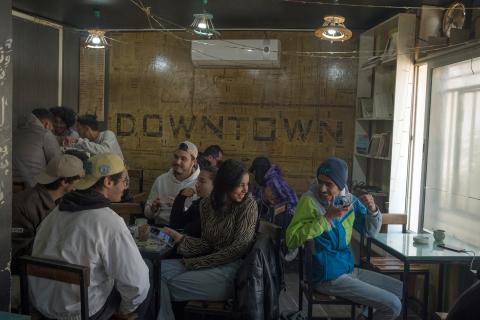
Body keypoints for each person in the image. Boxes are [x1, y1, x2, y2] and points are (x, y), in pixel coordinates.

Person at [30, 153, 152, 320]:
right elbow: (138, 284)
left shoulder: (55, 212)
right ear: (108, 182)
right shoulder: (109, 221)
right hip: (82, 313)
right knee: (145, 280)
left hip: (42, 306)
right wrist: (123, 311)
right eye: (124, 181)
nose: (125, 187)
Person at [286, 157, 402, 320]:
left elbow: (369, 232)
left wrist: (373, 210)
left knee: (400, 291)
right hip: (326, 276)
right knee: (393, 305)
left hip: (347, 269)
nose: (322, 188)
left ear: (341, 186)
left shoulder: (349, 201)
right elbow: (291, 239)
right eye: (320, 182)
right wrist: (327, 218)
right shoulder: (309, 201)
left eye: (329, 184)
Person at [159, 159, 258, 320]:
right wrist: (182, 240)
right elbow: (207, 243)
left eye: (247, 184)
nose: (245, 190)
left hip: (232, 270)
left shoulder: (248, 205)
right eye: (241, 185)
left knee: (162, 285)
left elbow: (239, 248)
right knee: (154, 271)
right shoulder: (206, 205)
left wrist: (198, 263)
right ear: (225, 185)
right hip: (207, 263)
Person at [11, 154, 84, 274]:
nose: (81, 184)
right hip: (24, 274)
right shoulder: (23, 205)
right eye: (79, 179)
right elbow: (18, 254)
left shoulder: (61, 199)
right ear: (65, 182)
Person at [144, 141, 200, 224]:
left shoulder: (199, 184)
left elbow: (199, 218)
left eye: (183, 159)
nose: (177, 162)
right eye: (176, 157)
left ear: (193, 162)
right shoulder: (161, 180)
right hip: (160, 228)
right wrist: (153, 208)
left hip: (185, 231)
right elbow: (148, 214)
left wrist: (178, 206)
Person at [13, 108, 61, 188]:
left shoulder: (14, 132)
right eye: (52, 129)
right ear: (47, 124)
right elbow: (57, 164)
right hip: (33, 186)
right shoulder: (45, 134)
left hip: (7, 185)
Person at [249, 156, 298, 229]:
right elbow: (256, 198)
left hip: (287, 216)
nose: (254, 175)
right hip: (274, 214)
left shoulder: (274, 181)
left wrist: (276, 210)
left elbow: (292, 202)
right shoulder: (263, 182)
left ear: (259, 172)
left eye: (255, 172)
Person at [169, 165, 218, 237]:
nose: (197, 184)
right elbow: (176, 224)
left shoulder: (218, 208)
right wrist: (181, 198)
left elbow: (191, 230)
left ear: (216, 185)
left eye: (202, 181)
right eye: (197, 180)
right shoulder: (199, 203)